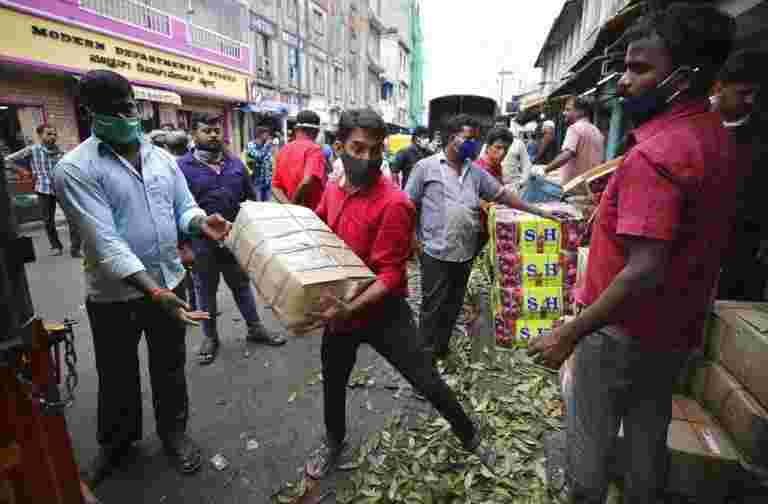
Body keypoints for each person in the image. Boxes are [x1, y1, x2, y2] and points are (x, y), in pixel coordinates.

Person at [528, 5, 738, 503]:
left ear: (683, 79)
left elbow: (644, 268)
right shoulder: (718, 139)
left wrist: (569, 332)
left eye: (639, 69)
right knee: (647, 438)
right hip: (673, 331)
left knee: (590, 457)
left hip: (619, 334)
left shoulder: (656, 154)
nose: (623, 82)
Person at [54, 70, 232, 485]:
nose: (125, 116)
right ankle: (117, 444)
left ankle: (174, 434)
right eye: (112, 111)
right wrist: (152, 292)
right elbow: (105, 243)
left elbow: (183, 208)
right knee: (117, 373)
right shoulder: (74, 169)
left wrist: (201, 222)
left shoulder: (162, 158)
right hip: (116, 295)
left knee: (170, 366)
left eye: (128, 107)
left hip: (170, 281)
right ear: (91, 114)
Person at [304, 108, 496, 480]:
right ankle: (334, 440)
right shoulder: (333, 189)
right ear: (339, 146)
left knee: (426, 378)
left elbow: (392, 273)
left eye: (376, 151)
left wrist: (351, 308)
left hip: (382, 314)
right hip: (340, 309)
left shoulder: (394, 202)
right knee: (333, 380)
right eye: (358, 149)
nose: (368, 159)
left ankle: (470, 435)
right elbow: (322, 229)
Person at [406, 114, 558, 362]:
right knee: (432, 307)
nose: (473, 145)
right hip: (434, 251)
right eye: (468, 138)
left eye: (476, 140)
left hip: (464, 251)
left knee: (453, 305)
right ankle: (424, 361)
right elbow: (408, 204)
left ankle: (441, 350)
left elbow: (503, 195)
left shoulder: (475, 172)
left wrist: (538, 211)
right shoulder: (426, 167)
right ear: (451, 137)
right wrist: (413, 240)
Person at [178, 113, 286, 365]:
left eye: (217, 130)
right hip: (201, 244)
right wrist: (183, 245)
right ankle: (210, 337)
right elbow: (175, 209)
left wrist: (255, 233)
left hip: (234, 241)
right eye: (207, 130)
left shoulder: (236, 164)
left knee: (241, 286)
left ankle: (255, 328)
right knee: (205, 292)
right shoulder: (181, 168)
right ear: (195, 133)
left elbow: (250, 201)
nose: (214, 134)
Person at [712, 49, 768, 301]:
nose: (750, 101)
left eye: (755, 94)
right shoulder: (695, 124)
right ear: (719, 87)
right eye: (743, 93)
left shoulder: (761, 134)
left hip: (743, 249)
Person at [5, 123, 82, 257]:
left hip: (62, 189)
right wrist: (21, 171)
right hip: (43, 189)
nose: (53, 136)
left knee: (73, 218)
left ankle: (75, 248)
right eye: (48, 134)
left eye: (54, 134)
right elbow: (7, 160)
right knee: (48, 221)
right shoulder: (32, 150)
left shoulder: (61, 152)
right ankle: (55, 246)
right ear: (40, 135)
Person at [272, 110, 326, 209]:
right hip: (311, 214)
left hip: (291, 215)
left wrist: (289, 207)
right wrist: (295, 206)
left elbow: (275, 187)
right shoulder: (314, 149)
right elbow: (307, 181)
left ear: (296, 129)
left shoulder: (283, 150)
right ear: (316, 131)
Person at [543, 97, 605, 185]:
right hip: (589, 186)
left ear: (581, 112)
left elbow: (567, 155)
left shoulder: (574, 128)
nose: (564, 113)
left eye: (568, 110)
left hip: (573, 187)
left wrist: (545, 170)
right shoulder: (597, 132)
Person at [245, 126, 274, 202]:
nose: (268, 136)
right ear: (260, 135)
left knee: (268, 207)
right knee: (258, 206)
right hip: (257, 181)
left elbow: (270, 161)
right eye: (266, 134)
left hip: (267, 181)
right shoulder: (251, 145)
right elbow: (258, 157)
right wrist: (266, 146)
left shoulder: (267, 146)